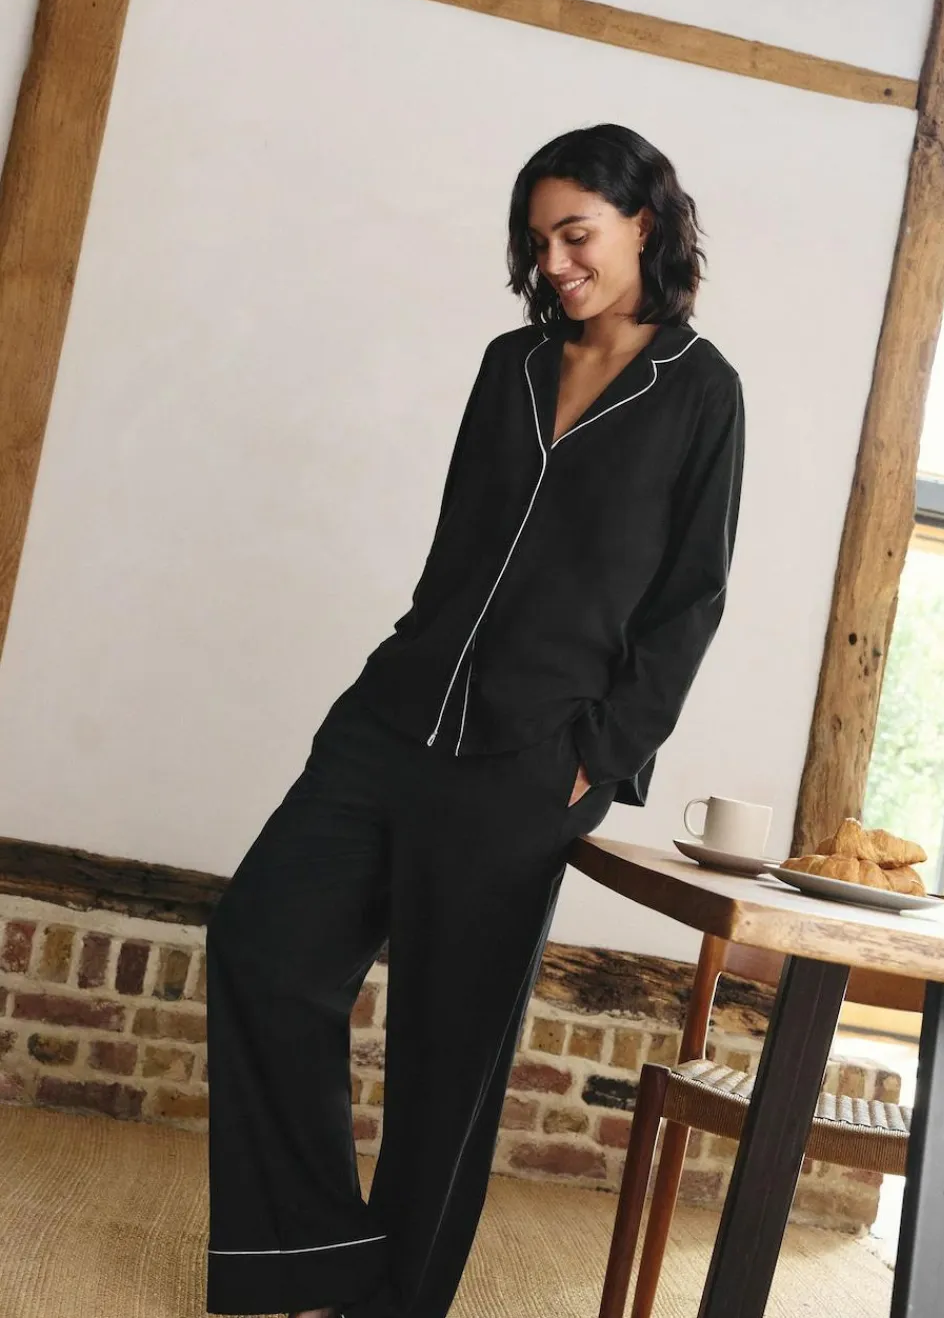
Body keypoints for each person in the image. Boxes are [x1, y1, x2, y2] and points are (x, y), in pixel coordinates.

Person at [204, 122, 745, 1318]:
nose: (553, 262)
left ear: (644, 223)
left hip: (531, 756)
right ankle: (310, 1262)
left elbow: (689, 599)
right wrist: (399, 673)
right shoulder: (511, 364)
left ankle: (391, 1303)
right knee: (259, 943)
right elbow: (458, 551)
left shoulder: (701, 391)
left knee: (446, 1052)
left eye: (576, 234)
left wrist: (597, 757)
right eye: (537, 241)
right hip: (396, 714)